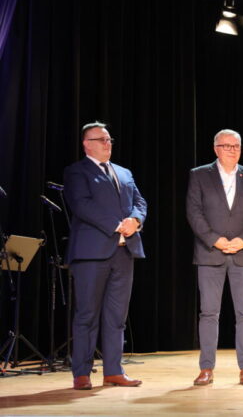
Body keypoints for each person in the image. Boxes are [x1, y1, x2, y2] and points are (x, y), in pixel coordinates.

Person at [64, 121, 147, 390]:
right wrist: (117, 224)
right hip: (91, 253)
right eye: (101, 139)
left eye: (109, 139)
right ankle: (82, 373)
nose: (107, 143)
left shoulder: (124, 172)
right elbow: (81, 205)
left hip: (124, 252)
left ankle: (113, 371)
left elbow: (140, 201)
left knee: (116, 317)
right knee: (87, 315)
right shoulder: (77, 171)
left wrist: (135, 220)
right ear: (86, 144)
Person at [187, 129, 243, 386]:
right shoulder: (199, 175)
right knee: (209, 313)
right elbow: (194, 212)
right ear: (216, 149)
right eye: (227, 146)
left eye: (236, 146)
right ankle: (206, 369)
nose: (232, 150)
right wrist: (214, 239)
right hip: (210, 252)